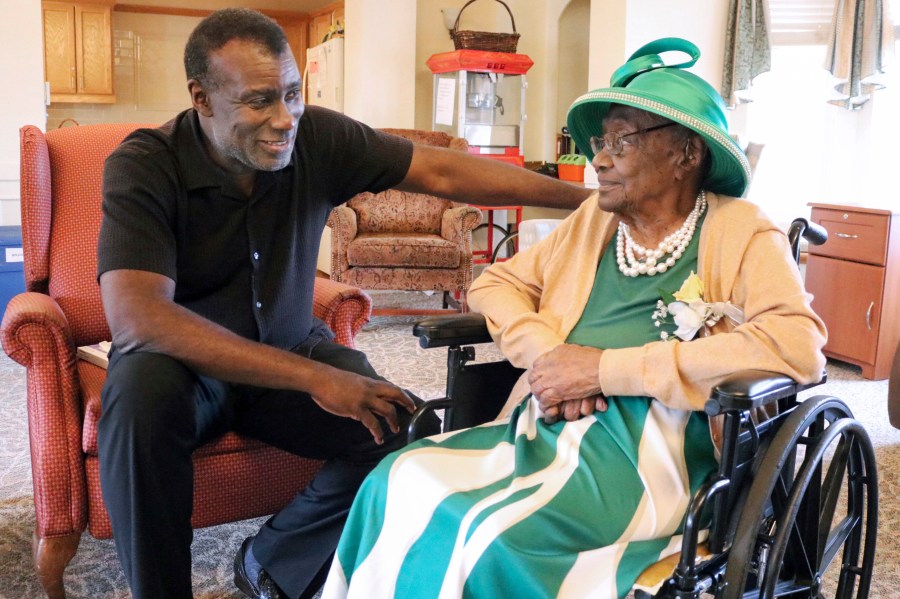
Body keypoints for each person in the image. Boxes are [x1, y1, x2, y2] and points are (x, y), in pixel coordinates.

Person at [96, 8, 591, 599]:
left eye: (292, 94)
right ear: (201, 98)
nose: (284, 119)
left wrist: (592, 200)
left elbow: (440, 171)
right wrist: (315, 378)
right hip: (184, 369)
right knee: (135, 401)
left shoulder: (319, 137)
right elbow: (138, 319)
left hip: (285, 345)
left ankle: (269, 559)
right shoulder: (145, 164)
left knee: (399, 424)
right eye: (258, 102)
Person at [320, 38, 827, 599]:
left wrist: (605, 370)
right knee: (395, 479)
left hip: (652, 452)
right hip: (549, 419)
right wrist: (546, 354)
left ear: (688, 153)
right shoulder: (594, 220)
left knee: (493, 533)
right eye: (599, 141)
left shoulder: (743, 230)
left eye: (622, 140)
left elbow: (796, 346)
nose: (599, 158)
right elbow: (497, 281)